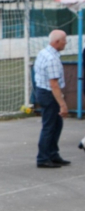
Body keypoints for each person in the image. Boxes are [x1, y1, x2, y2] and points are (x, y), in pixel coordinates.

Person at [34, 30, 70, 168]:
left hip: (42, 91)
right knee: (50, 126)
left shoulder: (44, 53)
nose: (66, 43)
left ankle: (53, 154)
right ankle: (43, 158)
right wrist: (63, 104)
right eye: (64, 40)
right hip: (49, 94)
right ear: (57, 42)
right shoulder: (52, 59)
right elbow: (54, 84)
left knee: (56, 125)